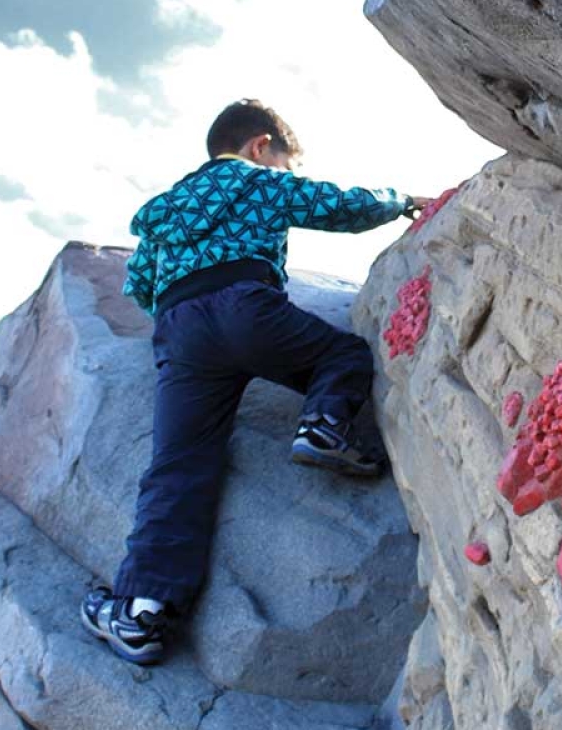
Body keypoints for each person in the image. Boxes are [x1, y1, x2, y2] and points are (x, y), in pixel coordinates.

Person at [79, 99, 432, 664]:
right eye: (285, 163)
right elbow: (331, 204)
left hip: (179, 330)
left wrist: (180, 316)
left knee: (178, 469)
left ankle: (141, 613)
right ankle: (321, 428)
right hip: (246, 306)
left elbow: (139, 285)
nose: (285, 174)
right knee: (340, 354)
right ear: (261, 146)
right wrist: (399, 203)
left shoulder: (167, 210)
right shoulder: (254, 180)